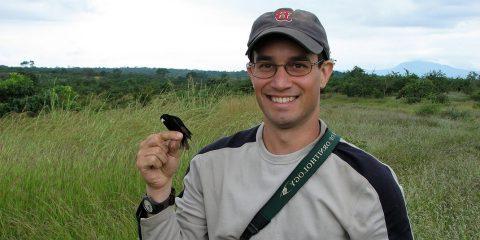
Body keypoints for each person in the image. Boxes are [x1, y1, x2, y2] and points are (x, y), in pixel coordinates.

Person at [135, 8, 413, 240]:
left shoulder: (369, 181)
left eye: (299, 65)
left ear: (324, 73)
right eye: (266, 66)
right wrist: (159, 193)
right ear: (251, 73)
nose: (280, 82)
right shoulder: (209, 165)